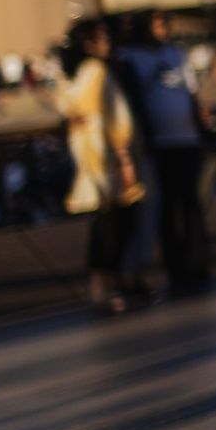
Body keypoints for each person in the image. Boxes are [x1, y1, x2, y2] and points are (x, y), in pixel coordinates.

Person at [122, 12, 214, 294]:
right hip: (158, 143)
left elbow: (192, 92)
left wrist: (203, 123)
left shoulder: (177, 53)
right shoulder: (131, 57)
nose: (164, 30)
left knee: (191, 203)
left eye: (166, 25)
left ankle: (198, 264)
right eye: (158, 25)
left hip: (186, 138)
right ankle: (176, 269)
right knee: (166, 207)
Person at [61, 17, 146, 315]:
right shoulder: (96, 71)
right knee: (112, 225)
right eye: (102, 39)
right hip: (105, 159)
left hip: (97, 157)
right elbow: (105, 117)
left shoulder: (81, 72)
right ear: (89, 44)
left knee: (110, 224)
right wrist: (122, 158)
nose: (108, 43)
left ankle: (107, 288)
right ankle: (104, 290)